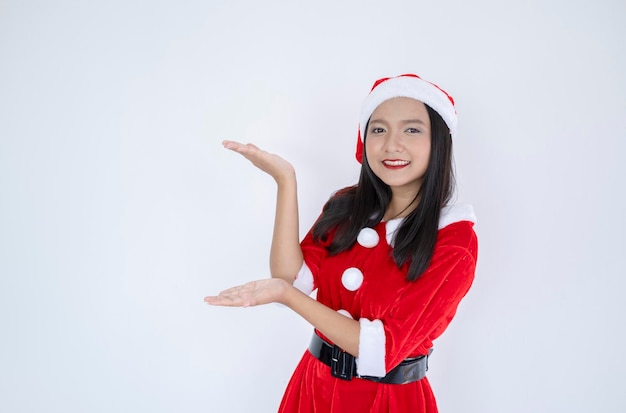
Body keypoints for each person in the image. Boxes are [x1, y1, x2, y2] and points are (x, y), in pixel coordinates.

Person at [204, 73, 478, 412]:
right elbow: (291, 277)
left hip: (388, 402)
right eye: (378, 129)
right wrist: (285, 180)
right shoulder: (348, 205)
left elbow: (383, 348)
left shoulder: (454, 239)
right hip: (314, 387)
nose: (392, 143)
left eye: (412, 129)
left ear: (439, 143)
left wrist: (286, 296)